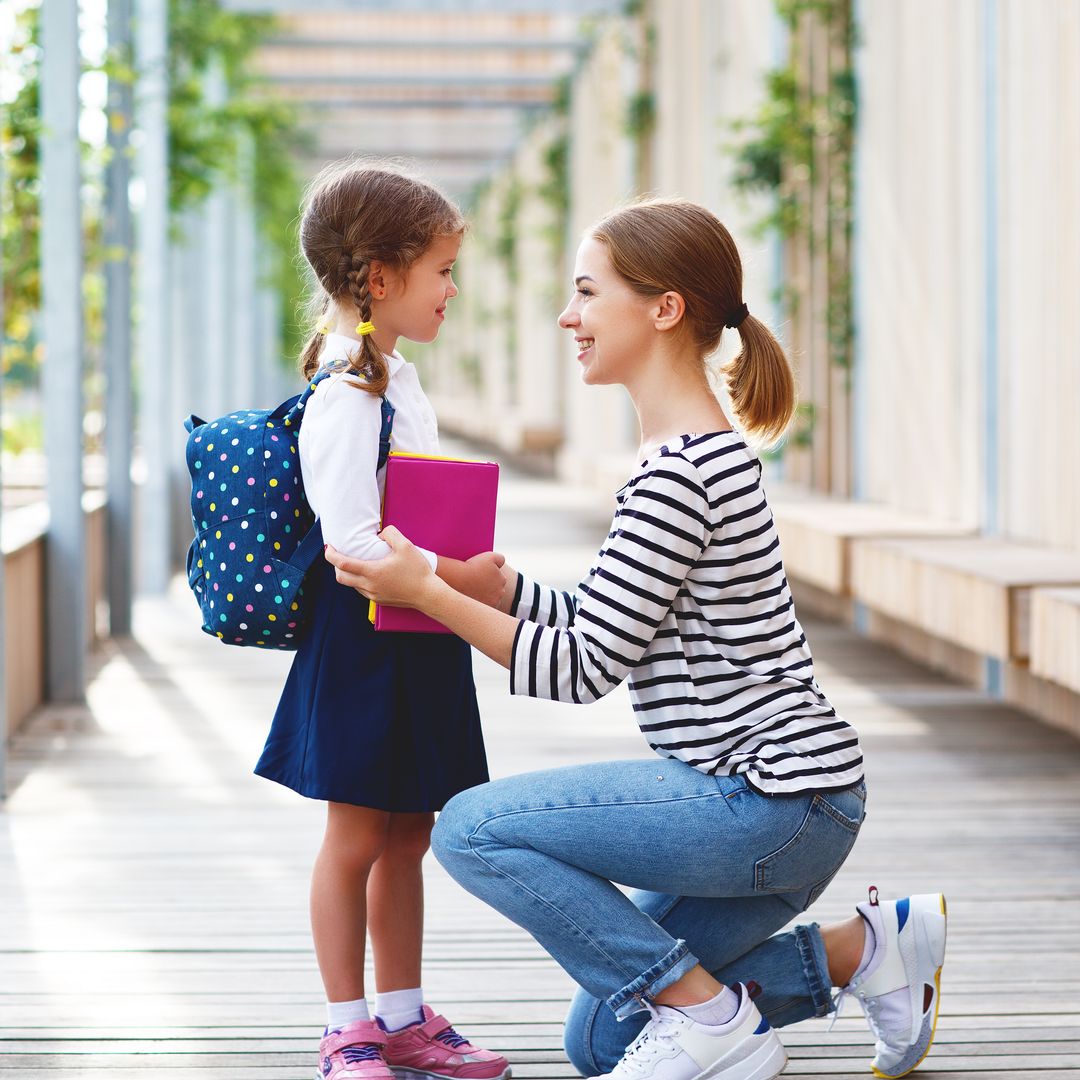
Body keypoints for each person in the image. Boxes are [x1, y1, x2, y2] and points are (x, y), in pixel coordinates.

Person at [324, 198, 947, 1080]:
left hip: (765, 802)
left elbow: (582, 669)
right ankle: (866, 952)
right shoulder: (693, 457)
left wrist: (425, 590)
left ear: (664, 310)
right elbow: (616, 620)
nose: (567, 316)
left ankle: (707, 1015)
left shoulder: (679, 475)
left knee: (469, 829)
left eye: (586, 293)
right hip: (795, 804)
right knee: (603, 1040)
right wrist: (505, 591)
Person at [254, 160, 512, 1080]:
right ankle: (345, 1026)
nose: (451, 288)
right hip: (366, 640)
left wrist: (450, 579)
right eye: (441, 268)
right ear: (379, 279)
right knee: (356, 837)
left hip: (414, 635)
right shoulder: (346, 395)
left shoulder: (394, 380)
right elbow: (352, 544)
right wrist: (460, 576)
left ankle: (404, 1017)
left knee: (409, 833)